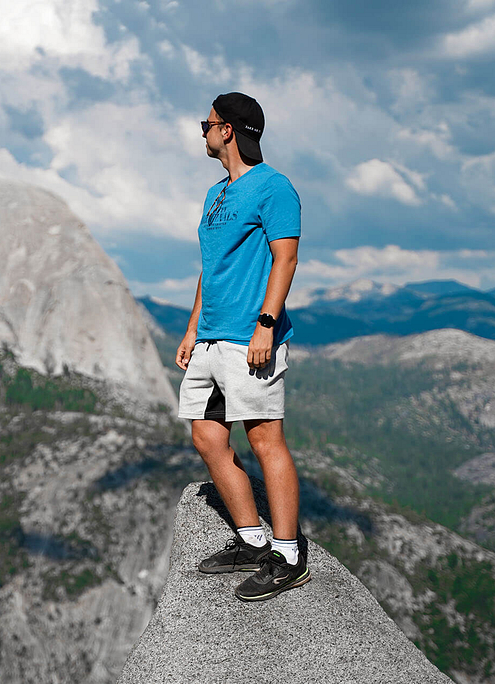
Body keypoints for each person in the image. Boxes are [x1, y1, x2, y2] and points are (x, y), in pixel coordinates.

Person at [175, 92, 307, 602]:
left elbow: (286, 260)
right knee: (207, 438)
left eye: (206, 123)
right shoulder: (216, 194)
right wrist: (191, 328)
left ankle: (288, 554)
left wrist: (266, 325)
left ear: (228, 129)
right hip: (211, 337)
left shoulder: (275, 188)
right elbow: (212, 269)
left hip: (249, 338)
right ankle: (253, 540)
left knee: (264, 439)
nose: (202, 131)